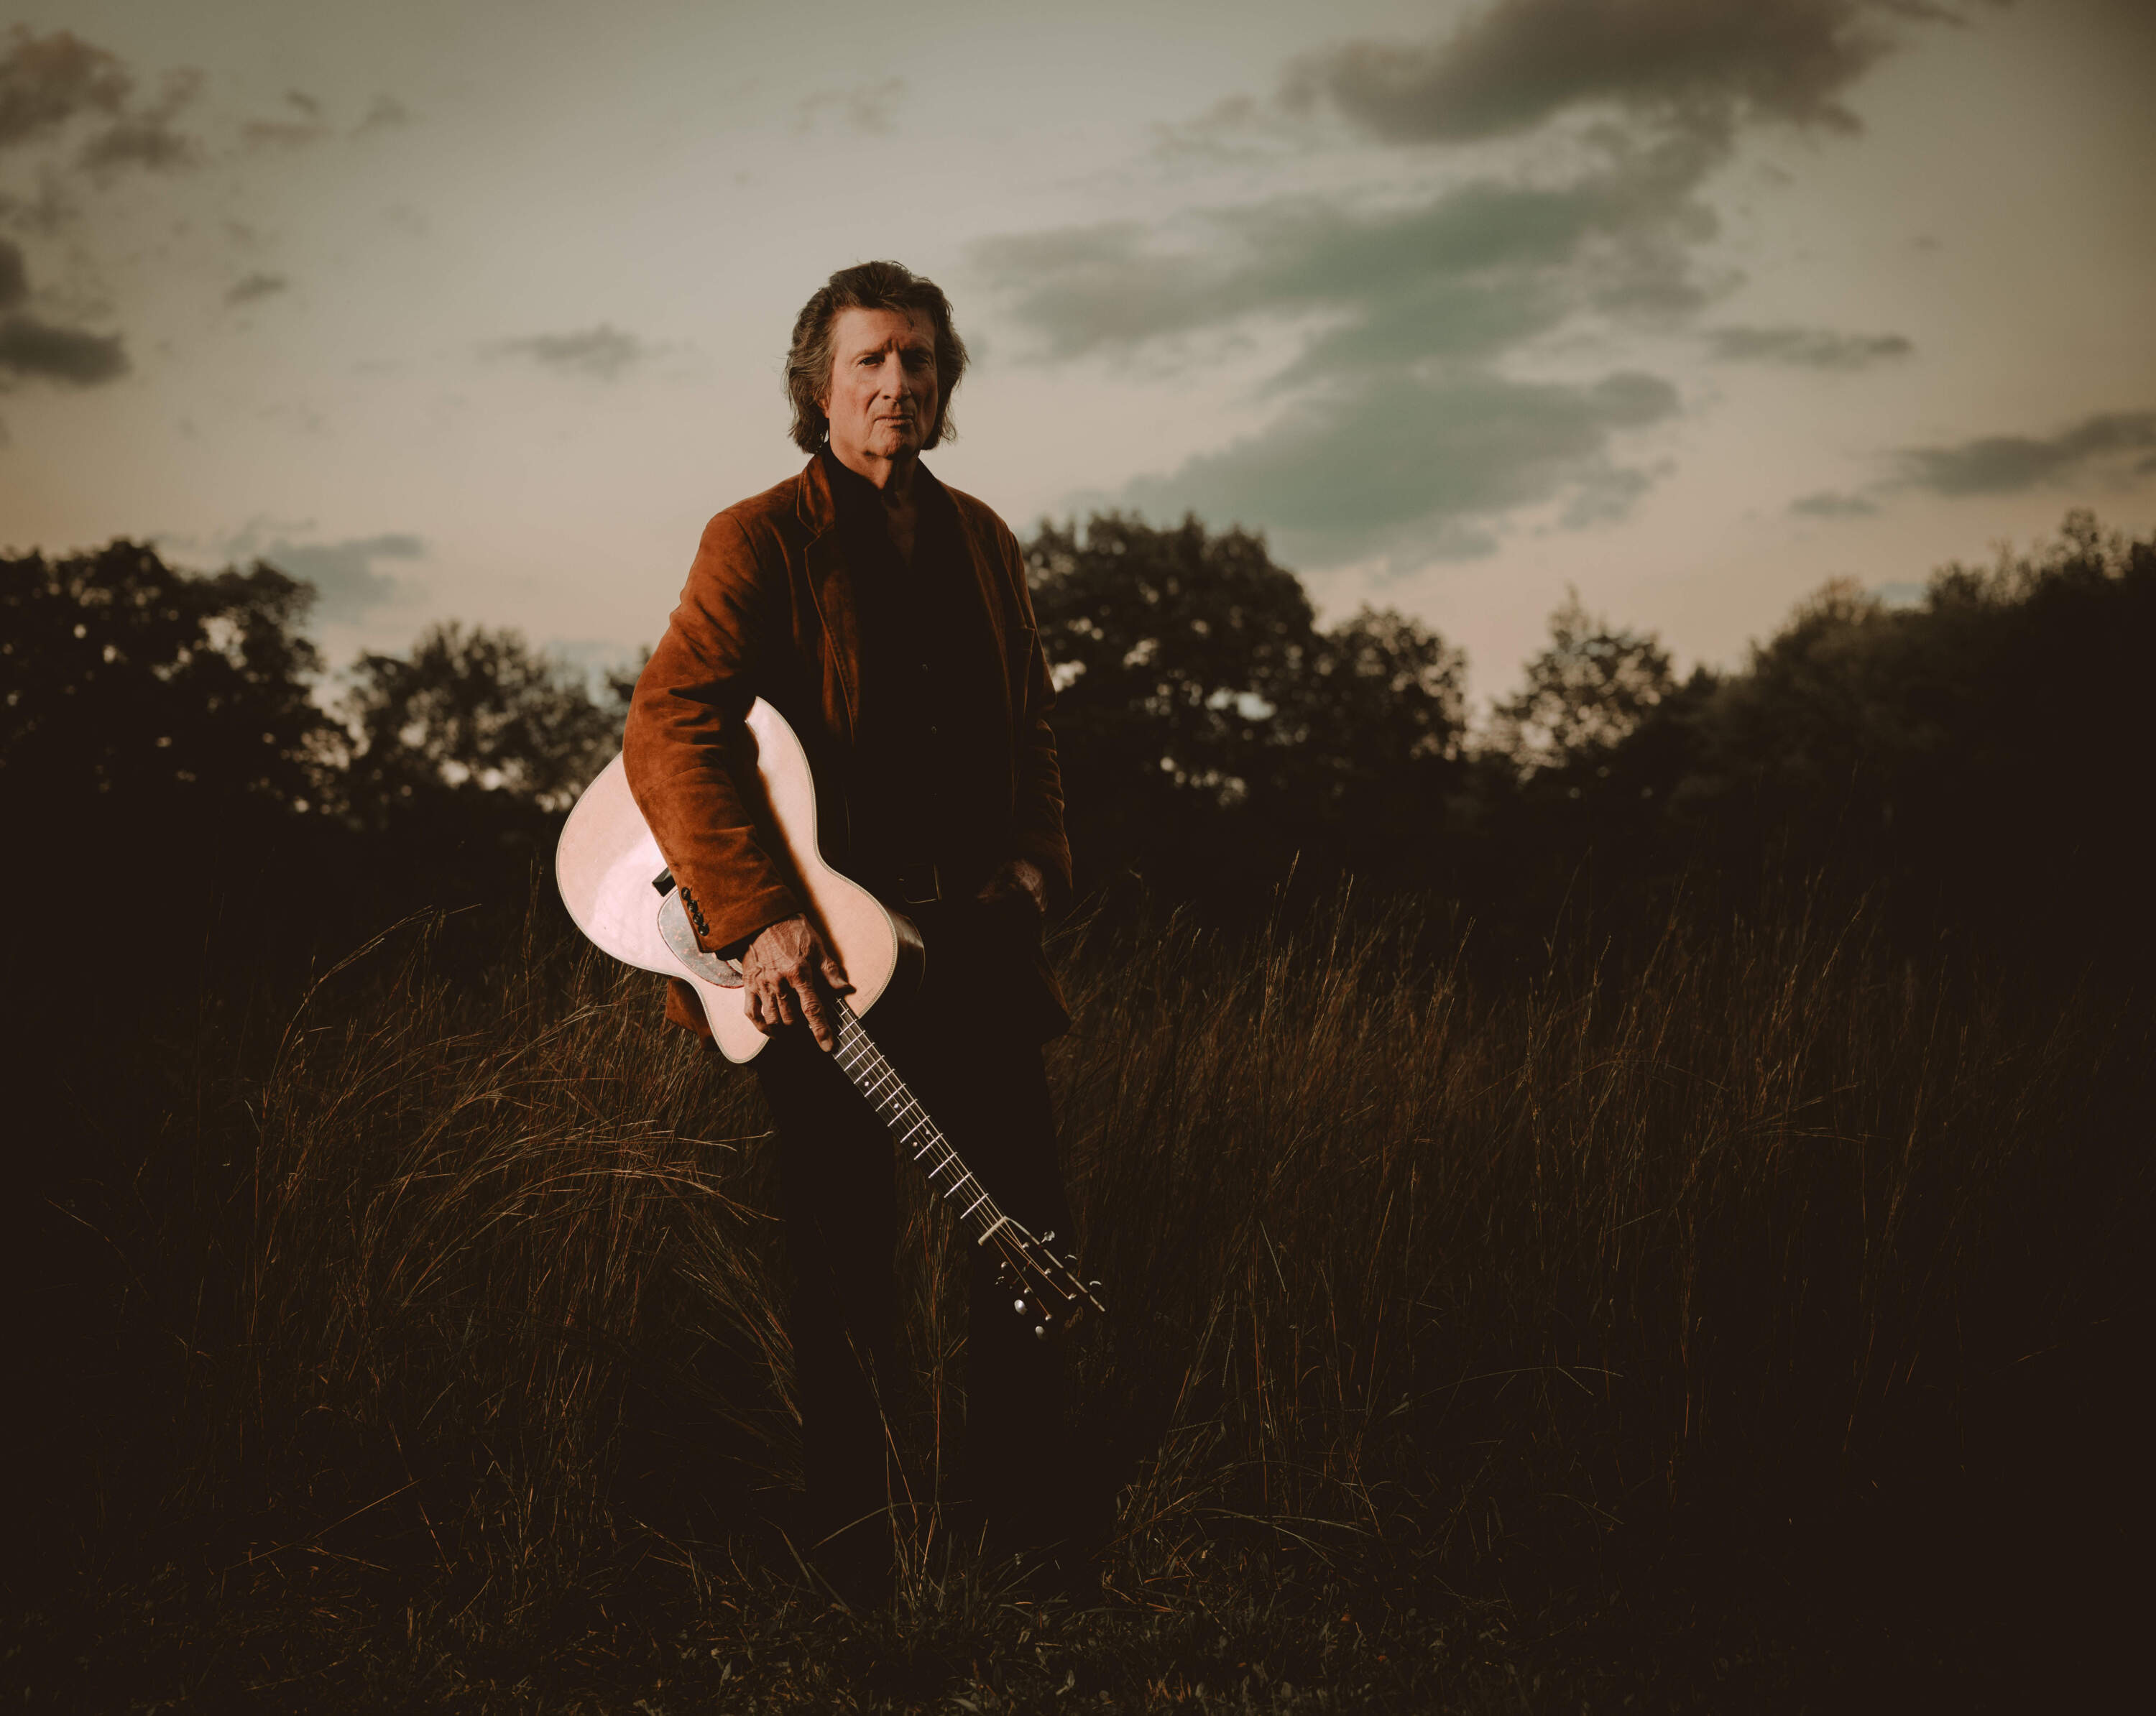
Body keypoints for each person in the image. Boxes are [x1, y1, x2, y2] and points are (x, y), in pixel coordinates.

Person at [621, 259, 1095, 1602]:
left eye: (920, 360)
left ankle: (1029, 1539)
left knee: (1027, 1236)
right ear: (817, 389)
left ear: (945, 382)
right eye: (870, 361)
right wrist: (759, 918)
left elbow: (1035, 720)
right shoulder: (756, 537)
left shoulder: (985, 540)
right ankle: (855, 1556)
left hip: (977, 943)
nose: (899, 383)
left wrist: (1037, 858)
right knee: (846, 1261)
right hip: (821, 959)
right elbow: (670, 725)